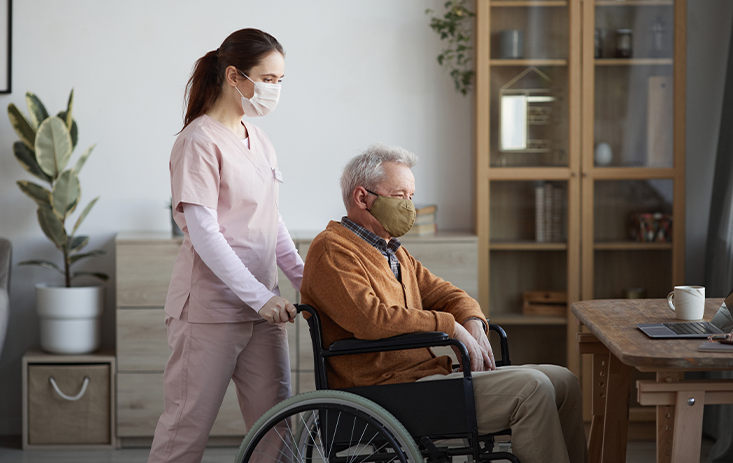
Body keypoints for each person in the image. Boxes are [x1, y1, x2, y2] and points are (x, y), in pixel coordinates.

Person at [300, 143, 588, 463]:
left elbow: (448, 295)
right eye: (400, 196)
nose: (409, 206)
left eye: (411, 196)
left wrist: (473, 324)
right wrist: (450, 327)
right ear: (362, 197)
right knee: (533, 388)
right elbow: (372, 319)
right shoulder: (333, 249)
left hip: (422, 381)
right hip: (385, 389)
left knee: (564, 381)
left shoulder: (394, 252)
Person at [148, 28, 303, 463]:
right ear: (235, 76)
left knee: (276, 430)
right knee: (185, 429)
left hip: (263, 313)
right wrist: (259, 298)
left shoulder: (260, 140)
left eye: (280, 81)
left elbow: (271, 223)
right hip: (210, 313)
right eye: (267, 79)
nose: (274, 89)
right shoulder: (198, 140)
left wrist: (307, 280)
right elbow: (204, 233)